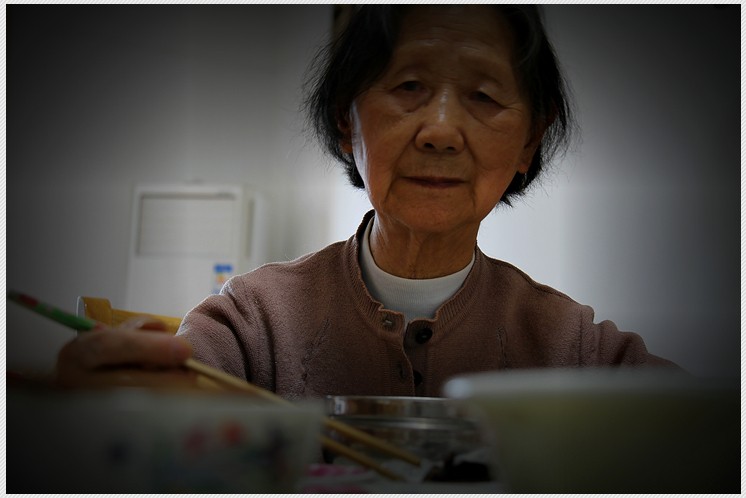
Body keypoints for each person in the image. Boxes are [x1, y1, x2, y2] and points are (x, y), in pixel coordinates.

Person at [56, 5, 677, 397]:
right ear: (345, 122)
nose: (440, 130)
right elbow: (165, 408)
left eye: (484, 97)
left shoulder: (572, 347)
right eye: (408, 85)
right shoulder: (253, 324)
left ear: (529, 140)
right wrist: (116, 402)